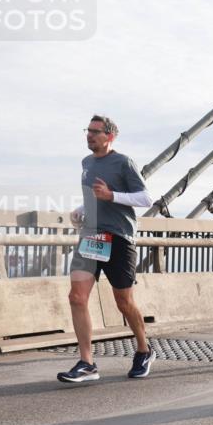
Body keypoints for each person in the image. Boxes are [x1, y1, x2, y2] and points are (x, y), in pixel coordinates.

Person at [58, 115, 155, 384]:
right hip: (91, 236)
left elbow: (146, 198)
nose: (89, 135)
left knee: (124, 302)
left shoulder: (124, 162)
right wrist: (81, 211)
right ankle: (87, 363)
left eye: (95, 131)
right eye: (87, 130)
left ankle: (144, 349)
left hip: (119, 238)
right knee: (77, 297)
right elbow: (93, 197)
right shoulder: (87, 163)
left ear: (109, 136)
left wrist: (112, 196)